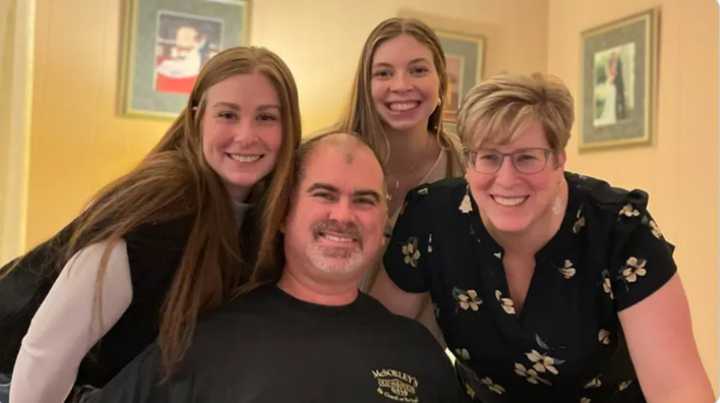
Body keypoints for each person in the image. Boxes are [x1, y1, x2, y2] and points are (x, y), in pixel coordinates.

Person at [373, 73, 714, 402]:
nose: (506, 180)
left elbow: (678, 390)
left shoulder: (620, 229)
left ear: (559, 159)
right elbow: (381, 347)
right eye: (489, 157)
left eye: (527, 158)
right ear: (468, 162)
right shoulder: (431, 216)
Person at [3, 46, 301, 403]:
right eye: (227, 115)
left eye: (266, 117)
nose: (246, 135)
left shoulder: (269, 215)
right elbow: (45, 350)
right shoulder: (159, 209)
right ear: (197, 120)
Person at [84, 132, 462, 403]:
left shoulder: (416, 351)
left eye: (364, 201)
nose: (343, 215)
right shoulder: (205, 342)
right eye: (324, 195)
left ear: (383, 223)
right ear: (283, 212)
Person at [340, 17, 464, 342]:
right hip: (328, 350)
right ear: (365, 85)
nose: (401, 85)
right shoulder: (326, 161)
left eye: (418, 70)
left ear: (441, 81)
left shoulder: (470, 168)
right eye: (383, 73)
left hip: (423, 365)